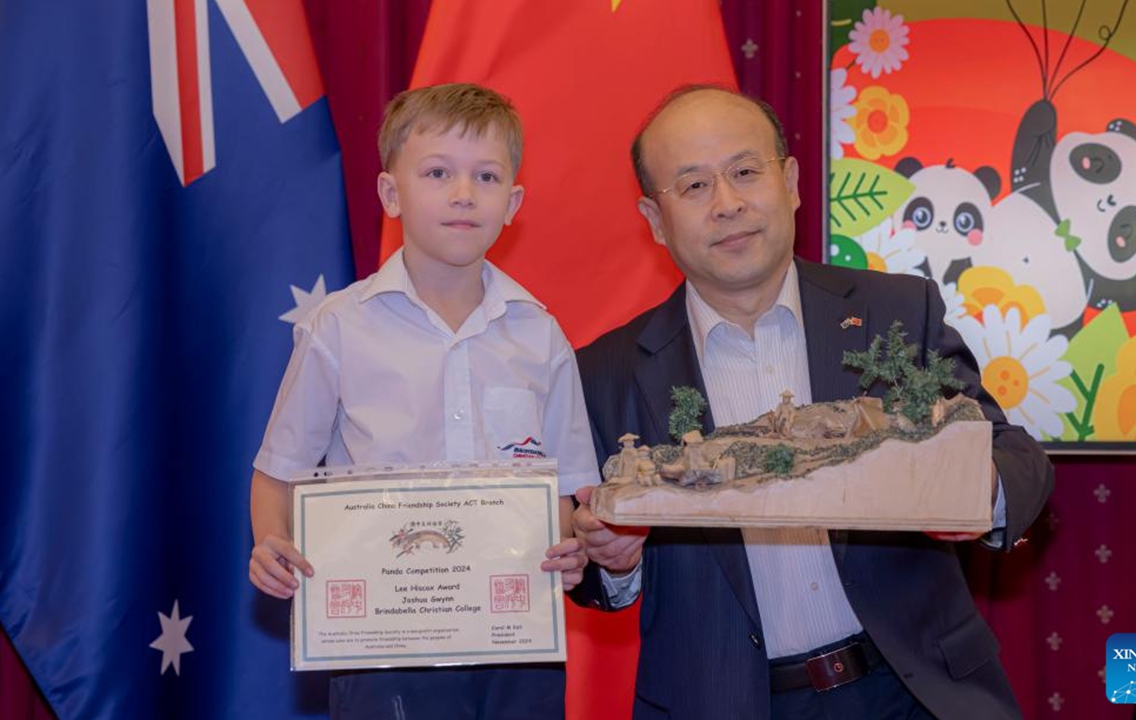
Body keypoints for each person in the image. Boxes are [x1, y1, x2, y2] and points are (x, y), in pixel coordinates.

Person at [569, 86, 1054, 720]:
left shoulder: (895, 312)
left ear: (791, 180)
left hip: (912, 692)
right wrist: (612, 561)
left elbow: (1010, 453)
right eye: (693, 187)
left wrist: (974, 490)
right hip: (725, 701)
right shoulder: (602, 372)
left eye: (745, 172)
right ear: (655, 220)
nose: (728, 204)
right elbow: (591, 570)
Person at [247, 83, 598, 720]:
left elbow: (571, 491)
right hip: (382, 652)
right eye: (437, 172)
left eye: (486, 176)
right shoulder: (339, 328)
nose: (464, 193)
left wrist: (570, 543)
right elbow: (277, 473)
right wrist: (272, 543)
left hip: (516, 645)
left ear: (512, 202)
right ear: (391, 193)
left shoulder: (540, 334)